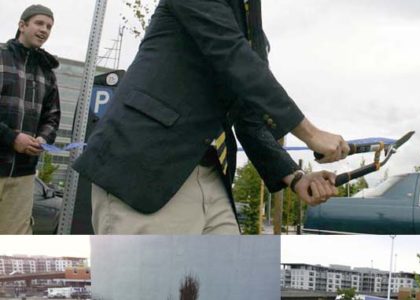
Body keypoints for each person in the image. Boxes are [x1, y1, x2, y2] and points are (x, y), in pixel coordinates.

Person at [73, 0, 350, 234]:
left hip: (212, 176)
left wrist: (296, 177)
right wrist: (311, 134)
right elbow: (232, 55)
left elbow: (250, 116)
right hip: (143, 168)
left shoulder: (251, 21)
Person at [0, 4, 61, 234]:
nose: (44, 29)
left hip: (23, 176)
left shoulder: (47, 72)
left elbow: (52, 116)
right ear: (22, 25)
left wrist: (43, 139)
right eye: (39, 23)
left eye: (49, 26)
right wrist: (12, 138)